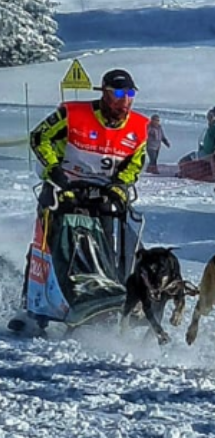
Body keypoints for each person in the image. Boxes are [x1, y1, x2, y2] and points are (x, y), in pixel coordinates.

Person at [22, 68, 150, 306]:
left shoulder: (139, 127)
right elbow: (39, 137)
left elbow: (135, 163)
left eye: (130, 93)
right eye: (119, 93)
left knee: (108, 243)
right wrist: (55, 171)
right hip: (62, 187)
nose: (125, 99)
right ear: (105, 94)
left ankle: (107, 293)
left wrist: (121, 185)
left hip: (104, 192)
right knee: (49, 243)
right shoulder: (72, 114)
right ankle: (32, 304)